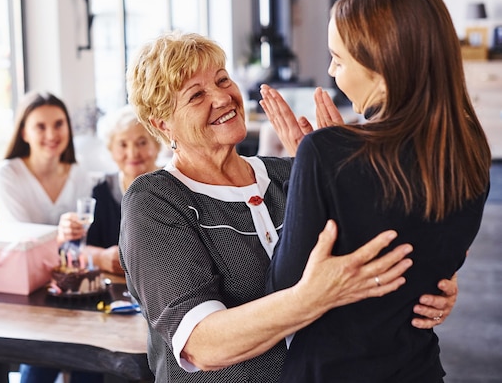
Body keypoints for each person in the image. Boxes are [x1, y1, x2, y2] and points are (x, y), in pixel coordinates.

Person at [118, 31, 459, 382]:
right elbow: (203, 345)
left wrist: (427, 281)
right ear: (162, 124)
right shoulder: (156, 200)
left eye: (222, 80)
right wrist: (311, 298)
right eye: (197, 95)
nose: (222, 97)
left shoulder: (289, 173)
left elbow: (367, 257)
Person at [265, 0, 491, 382]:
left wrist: (308, 168)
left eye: (338, 59)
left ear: (381, 65)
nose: (333, 72)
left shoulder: (324, 154)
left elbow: (284, 292)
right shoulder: (471, 150)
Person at [0, 90, 103, 383]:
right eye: (41, 126)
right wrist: (61, 236)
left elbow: (82, 242)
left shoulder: (78, 173)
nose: (52, 134)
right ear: (24, 132)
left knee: (91, 359)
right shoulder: (6, 175)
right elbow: (20, 242)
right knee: (41, 365)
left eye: (59, 124)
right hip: (27, 291)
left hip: (69, 287)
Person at [57, 103, 162, 273]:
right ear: (111, 151)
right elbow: (76, 247)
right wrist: (101, 257)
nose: (133, 153)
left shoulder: (174, 188)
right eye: (122, 144)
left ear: (157, 145)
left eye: (142, 142)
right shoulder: (101, 191)